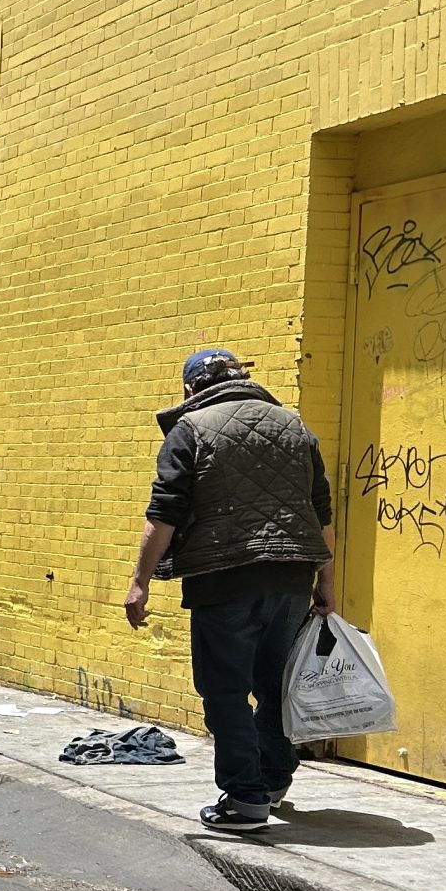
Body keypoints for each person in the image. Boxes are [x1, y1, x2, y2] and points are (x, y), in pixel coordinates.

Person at [123, 348, 336, 834]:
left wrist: (139, 582)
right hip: (290, 576)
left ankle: (245, 798)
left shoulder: (190, 428)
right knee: (274, 686)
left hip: (225, 578)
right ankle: (273, 779)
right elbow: (319, 510)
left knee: (224, 692)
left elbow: (165, 512)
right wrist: (325, 581)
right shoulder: (294, 427)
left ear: (189, 390)